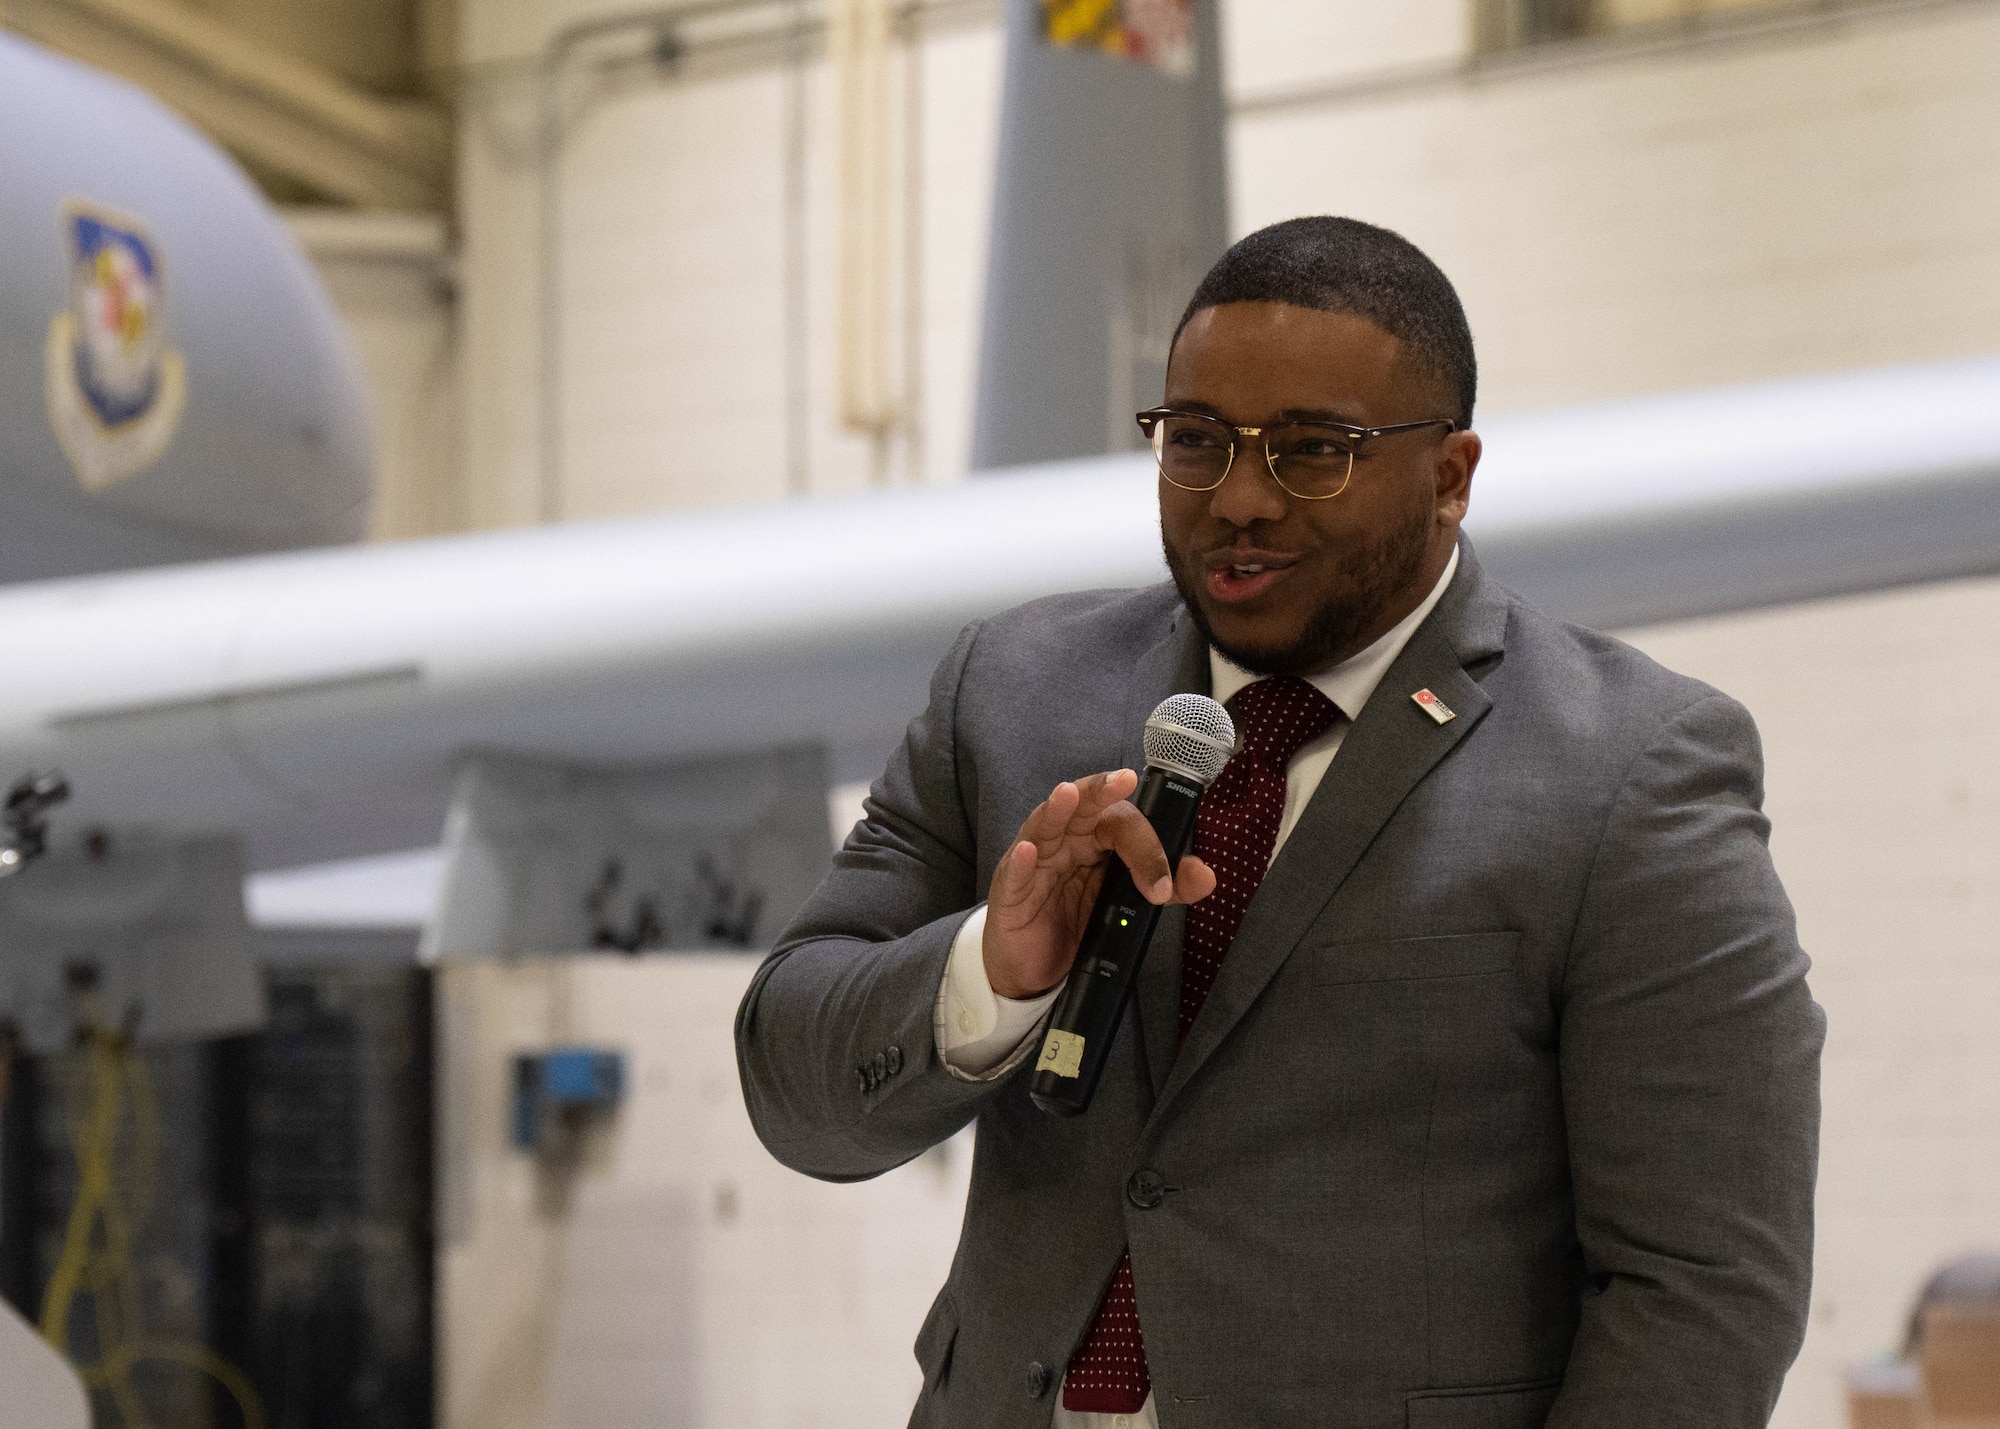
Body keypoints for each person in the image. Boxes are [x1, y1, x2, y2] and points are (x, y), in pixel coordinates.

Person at [735, 216, 1824, 1429]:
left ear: (1450, 475)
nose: (1239, 500)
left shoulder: (1631, 768)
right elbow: (793, 1086)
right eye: (1194, 440)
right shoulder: (1012, 694)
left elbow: (1704, 1288)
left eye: (1315, 450)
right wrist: (988, 972)